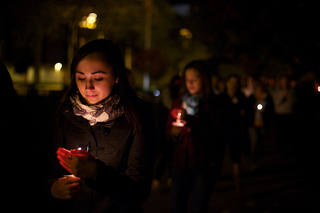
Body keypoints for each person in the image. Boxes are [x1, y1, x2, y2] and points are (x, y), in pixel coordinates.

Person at [45, 39, 156, 213]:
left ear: (117, 75)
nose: (88, 86)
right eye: (81, 77)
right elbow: (46, 171)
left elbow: (139, 190)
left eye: (97, 78)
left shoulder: (137, 117)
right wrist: (52, 189)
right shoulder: (65, 115)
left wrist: (97, 172)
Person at [166, 60, 223, 213]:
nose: (190, 83)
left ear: (203, 79)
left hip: (202, 165)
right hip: (180, 163)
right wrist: (173, 133)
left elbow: (216, 134)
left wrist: (190, 121)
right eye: (187, 79)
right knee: (177, 207)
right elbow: (168, 129)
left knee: (198, 207)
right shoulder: (179, 102)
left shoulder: (212, 104)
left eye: (194, 78)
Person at [220, 74, 247, 195]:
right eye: (231, 82)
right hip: (221, 132)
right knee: (217, 158)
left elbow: (245, 112)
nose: (233, 85)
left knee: (236, 159)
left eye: (236, 83)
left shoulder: (241, 97)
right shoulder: (221, 97)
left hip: (235, 131)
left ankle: (238, 186)